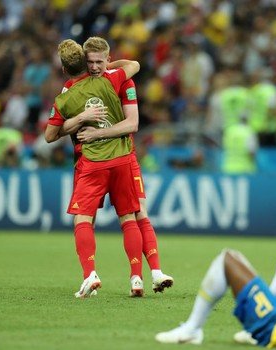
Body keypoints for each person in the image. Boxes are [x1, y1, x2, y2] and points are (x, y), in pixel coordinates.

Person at [66, 36, 173, 296]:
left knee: (137, 214)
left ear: (108, 61)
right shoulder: (82, 85)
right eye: (89, 62)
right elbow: (134, 64)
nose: (94, 67)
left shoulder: (117, 82)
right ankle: (109, 275)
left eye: (99, 62)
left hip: (121, 156)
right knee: (116, 217)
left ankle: (150, 274)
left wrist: (95, 133)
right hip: (95, 159)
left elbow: (132, 123)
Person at [45, 39, 142, 298]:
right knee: (129, 218)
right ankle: (137, 278)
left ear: (65, 70)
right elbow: (134, 65)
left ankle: (90, 274)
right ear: (87, 65)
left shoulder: (64, 99)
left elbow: (49, 135)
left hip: (91, 163)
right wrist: (110, 63)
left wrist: (78, 119)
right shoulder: (111, 80)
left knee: (84, 219)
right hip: (122, 158)